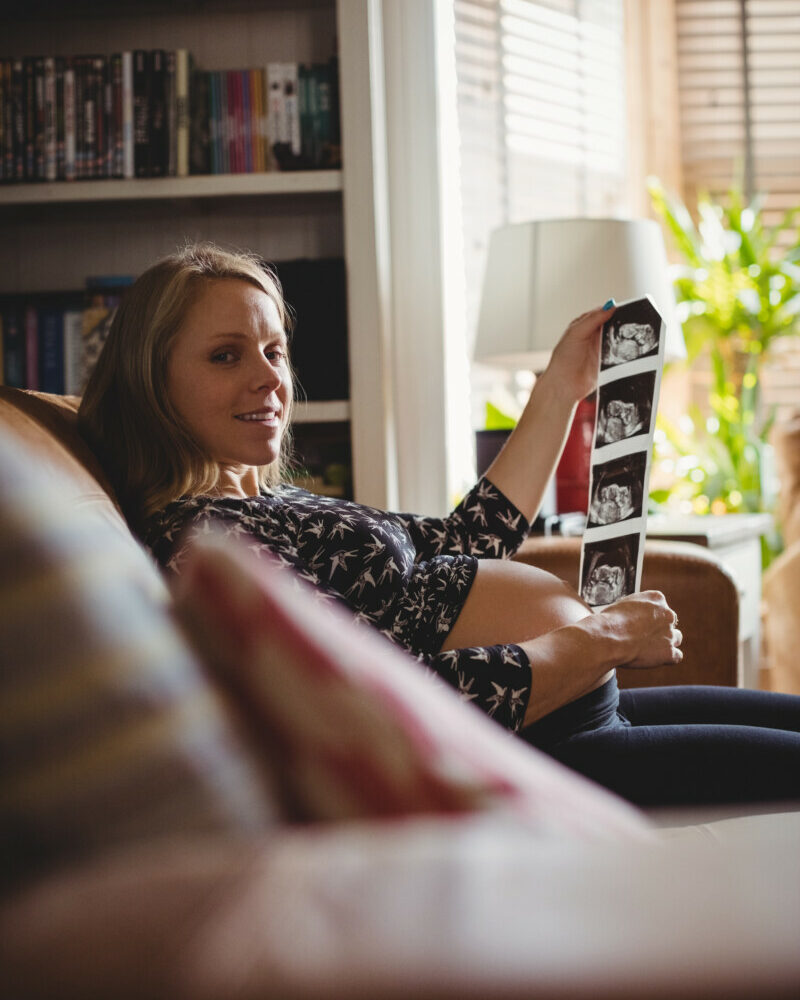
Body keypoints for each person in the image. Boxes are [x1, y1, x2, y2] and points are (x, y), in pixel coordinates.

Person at [78, 243, 800, 808]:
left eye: (275, 351)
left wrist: (560, 386)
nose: (270, 378)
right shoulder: (201, 547)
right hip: (544, 742)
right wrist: (598, 637)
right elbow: (375, 699)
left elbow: (465, 548)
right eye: (225, 355)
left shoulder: (273, 504)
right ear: (151, 378)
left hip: (579, 708)